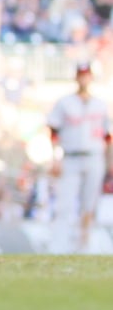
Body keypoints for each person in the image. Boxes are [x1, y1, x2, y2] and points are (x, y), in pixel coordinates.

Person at [47, 61, 111, 252]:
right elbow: (54, 131)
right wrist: (56, 158)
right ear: (76, 77)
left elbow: (107, 136)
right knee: (65, 204)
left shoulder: (100, 104)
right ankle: (58, 247)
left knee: (89, 204)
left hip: (94, 157)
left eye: (87, 75)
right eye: (81, 74)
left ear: (91, 77)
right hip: (71, 157)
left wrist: (110, 161)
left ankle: (84, 247)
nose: (84, 78)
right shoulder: (65, 103)